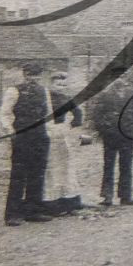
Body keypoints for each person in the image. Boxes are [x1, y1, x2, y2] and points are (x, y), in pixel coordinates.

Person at [1, 62, 51, 225]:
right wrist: (10, 131)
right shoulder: (13, 90)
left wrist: (48, 133)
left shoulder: (44, 91)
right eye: (30, 75)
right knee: (19, 175)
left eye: (37, 75)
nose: (33, 79)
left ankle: (33, 210)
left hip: (40, 136)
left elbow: (49, 114)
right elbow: (5, 113)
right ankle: (12, 214)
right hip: (22, 136)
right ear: (25, 75)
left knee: (37, 173)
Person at [92, 71, 133, 207]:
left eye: (123, 76)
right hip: (110, 136)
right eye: (117, 77)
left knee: (126, 166)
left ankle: (125, 197)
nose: (120, 79)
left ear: (127, 78)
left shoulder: (132, 93)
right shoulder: (105, 95)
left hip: (127, 136)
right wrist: (106, 130)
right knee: (108, 166)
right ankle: (107, 197)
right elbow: (97, 116)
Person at [43, 72, 86, 215]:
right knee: (51, 168)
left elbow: (78, 115)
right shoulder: (44, 97)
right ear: (51, 84)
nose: (60, 87)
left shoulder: (67, 99)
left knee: (65, 167)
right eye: (57, 84)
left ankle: (69, 202)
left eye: (63, 85)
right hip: (47, 134)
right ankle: (51, 204)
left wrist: (70, 128)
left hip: (61, 134)